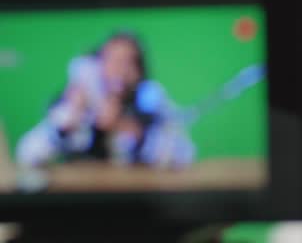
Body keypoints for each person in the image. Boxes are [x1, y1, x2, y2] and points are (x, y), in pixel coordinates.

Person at [16, 31, 196, 172]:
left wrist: (128, 129)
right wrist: (69, 120)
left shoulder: (150, 101)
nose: (121, 69)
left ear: (140, 71)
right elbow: (27, 154)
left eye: (129, 62)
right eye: (113, 60)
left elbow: (184, 155)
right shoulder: (76, 102)